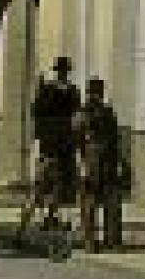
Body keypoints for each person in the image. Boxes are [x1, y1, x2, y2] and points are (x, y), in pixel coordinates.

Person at [19, 57, 82, 246]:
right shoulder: (69, 92)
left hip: (53, 143)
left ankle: (37, 219)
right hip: (60, 144)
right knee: (49, 183)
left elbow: (36, 113)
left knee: (48, 184)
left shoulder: (53, 90)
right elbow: (73, 117)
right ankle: (41, 217)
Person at [76, 76, 126, 252]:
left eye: (98, 93)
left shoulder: (108, 113)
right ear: (88, 93)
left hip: (108, 161)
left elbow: (116, 139)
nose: (96, 96)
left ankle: (112, 239)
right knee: (89, 202)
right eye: (93, 93)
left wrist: (119, 161)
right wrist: (81, 164)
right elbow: (76, 141)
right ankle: (89, 239)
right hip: (90, 161)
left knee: (112, 202)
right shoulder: (82, 114)